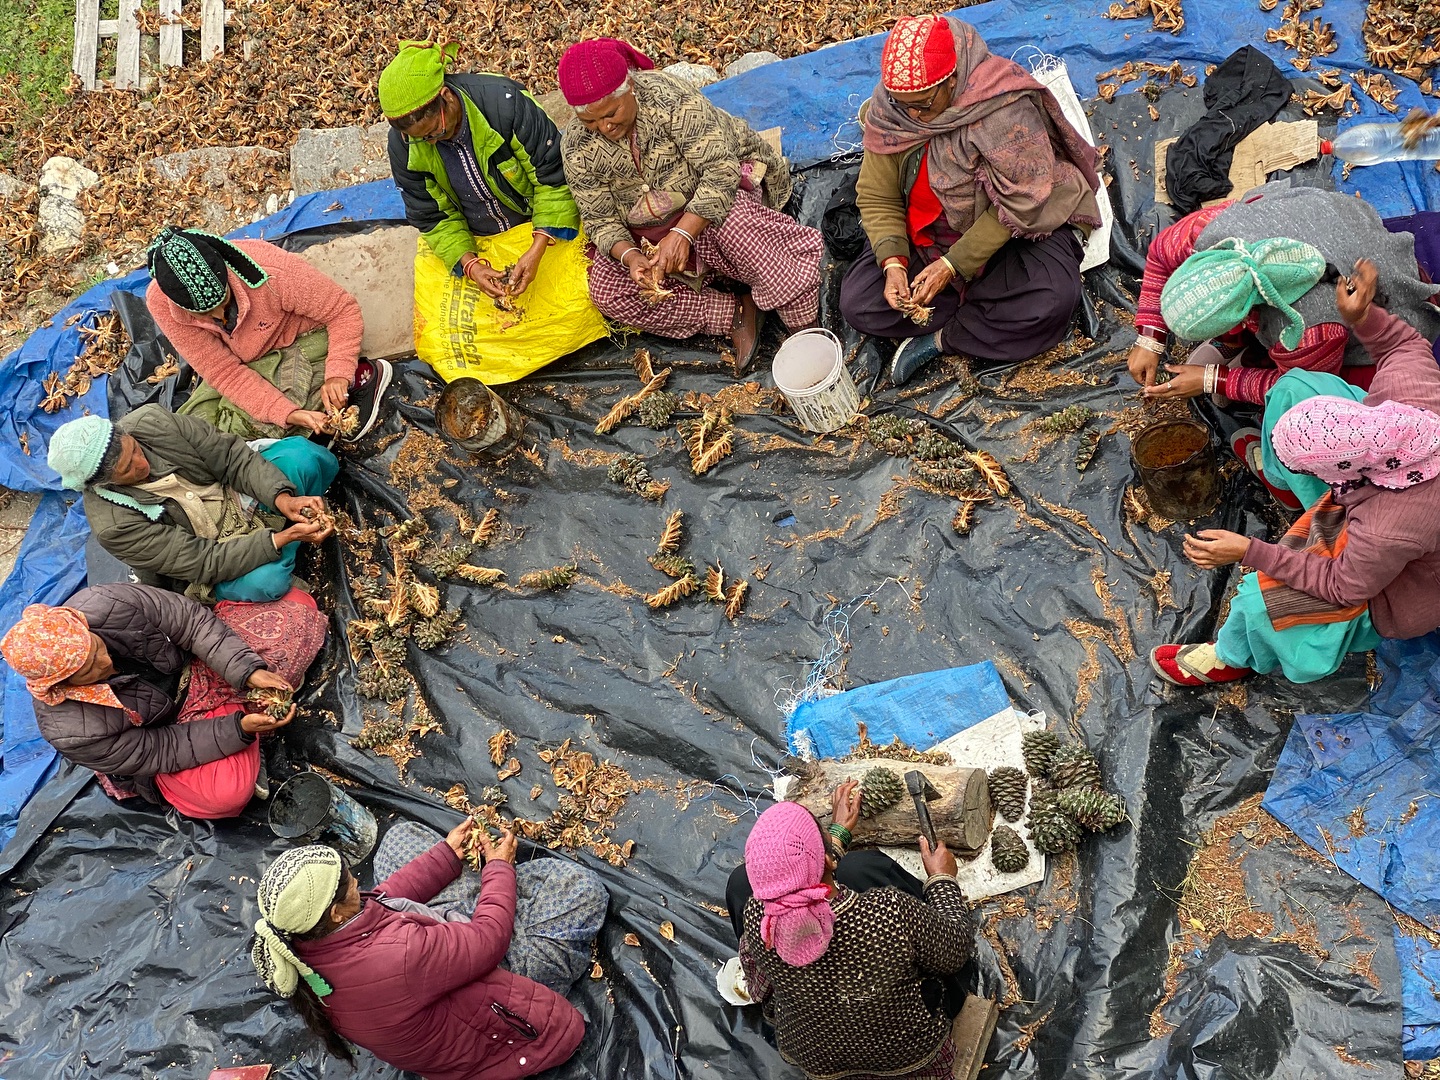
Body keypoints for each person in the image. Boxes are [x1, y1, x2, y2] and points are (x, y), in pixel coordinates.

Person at [1151, 259, 1440, 686]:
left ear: (1344, 473)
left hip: (1401, 582)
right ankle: (1295, 499)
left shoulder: (1388, 528)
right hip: (1388, 497)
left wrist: (1249, 552)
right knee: (1293, 387)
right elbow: (1403, 347)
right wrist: (1362, 316)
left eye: (1308, 469)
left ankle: (1233, 656)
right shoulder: (1413, 398)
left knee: (1264, 598)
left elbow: (1342, 586)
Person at [1127, 185, 1440, 507]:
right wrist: (1149, 338)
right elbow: (1160, 255)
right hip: (1333, 232)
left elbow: (1298, 385)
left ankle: (1284, 484)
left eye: (1230, 330)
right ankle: (1247, 351)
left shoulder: (1310, 326)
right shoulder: (1209, 235)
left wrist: (1213, 380)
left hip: (1376, 309)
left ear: (1246, 318)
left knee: (1337, 398)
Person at [839, 15, 1102, 386]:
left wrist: (953, 265)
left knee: (1053, 300)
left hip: (1010, 230)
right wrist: (893, 264)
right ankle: (984, 314)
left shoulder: (1001, 107)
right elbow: (877, 194)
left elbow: (1025, 200)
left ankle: (943, 338)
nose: (913, 116)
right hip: (932, 236)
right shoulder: (892, 109)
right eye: (904, 106)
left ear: (951, 81)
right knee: (858, 303)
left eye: (924, 105)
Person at [250, 818, 608, 1079]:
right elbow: (490, 940)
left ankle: (473, 890)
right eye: (348, 881)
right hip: (497, 999)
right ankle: (486, 890)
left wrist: (447, 856)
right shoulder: (397, 957)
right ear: (334, 911)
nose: (358, 878)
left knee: (400, 837)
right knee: (580, 890)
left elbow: (383, 900)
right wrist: (499, 868)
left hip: (437, 964)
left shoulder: (306, 945)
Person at [558, 37, 824, 374]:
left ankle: (803, 323)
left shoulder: (670, 99)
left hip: (709, 197)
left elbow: (720, 171)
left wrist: (683, 233)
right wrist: (631, 256)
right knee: (608, 291)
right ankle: (735, 313)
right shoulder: (578, 146)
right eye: (591, 122)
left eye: (612, 114)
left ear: (631, 88)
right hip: (648, 231)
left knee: (741, 231)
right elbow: (599, 220)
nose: (605, 127)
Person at [379, 40, 607, 383]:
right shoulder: (406, 145)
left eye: (435, 131)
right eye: (422, 139)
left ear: (447, 97)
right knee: (442, 339)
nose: (433, 142)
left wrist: (539, 244)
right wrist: (470, 266)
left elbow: (554, 177)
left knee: (590, 294)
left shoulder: (504, 104)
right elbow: (433, 217)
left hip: (539, 223)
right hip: (479, 239)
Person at [0, 582, 324, 817]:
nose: (105, 663)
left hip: (195, 669)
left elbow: (190, 622)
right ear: (63, 683)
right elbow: (164, 748)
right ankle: (247, 726)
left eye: (96, 648)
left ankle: (244, 716)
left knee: (297, 607)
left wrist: (245, 670)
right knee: (225, 795)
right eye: (88, 671)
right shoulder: (71, 729)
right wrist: (239, 729)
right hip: (172, 725)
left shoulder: (104, 602)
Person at [730, 788, 977, 1079]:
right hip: (910, 1059)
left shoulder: (759, 920)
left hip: (818, 1062)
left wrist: (836, 838)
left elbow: (761, 989)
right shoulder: (888, 912)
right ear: (827, 861)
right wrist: (942, 879)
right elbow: (956, 950)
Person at [47, 406, 337, 603]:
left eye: (135, 449)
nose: (142, 464)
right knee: (267, 582)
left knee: (304, 458)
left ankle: (287, 535)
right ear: (105, 482)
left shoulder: (152, 422)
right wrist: (281, 538)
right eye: (127, 469)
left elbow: (231, 458)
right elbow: (205, 561)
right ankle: (288, 543)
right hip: (208, 547)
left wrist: (281, 498)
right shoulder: (115, 526)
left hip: (231, 495)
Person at [145, 227, 390, 443]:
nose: (220, 316)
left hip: (298, 340)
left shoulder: (271, 272)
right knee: (194, 432)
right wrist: (287, 413)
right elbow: (223, 372)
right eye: (207, 314)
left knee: (243, 428)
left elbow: (342, 310)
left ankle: (359, 377)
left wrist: (337, 374)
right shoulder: (162, 303)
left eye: (224, 302)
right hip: (243, 359)